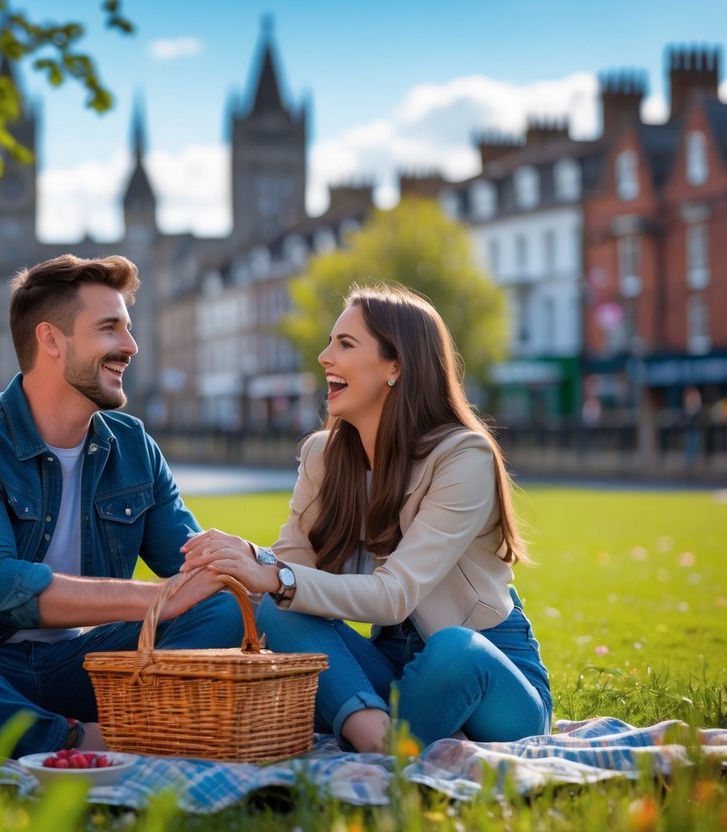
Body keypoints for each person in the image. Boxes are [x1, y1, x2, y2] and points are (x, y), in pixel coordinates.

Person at [0, 253, 244, 757]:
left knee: (222, 608)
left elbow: (196, 571)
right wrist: (158, 598)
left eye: (129, 328)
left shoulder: (133, 445)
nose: (130, 346)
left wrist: (255, 567)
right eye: (110, 328)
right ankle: (78, 738)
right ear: (50, 339)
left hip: (84, 667)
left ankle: (112, 725)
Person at [183, 283, 551, 753]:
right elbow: (292, 571)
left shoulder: (463, 456)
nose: (324, 357)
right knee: (281, 608)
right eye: (330, 341)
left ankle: (378, 735)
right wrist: (247, 558)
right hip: (392, 671)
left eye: (345, 344)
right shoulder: (324, 456)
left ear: (396, 366)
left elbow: (394, 596)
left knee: (452, 648)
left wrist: (274, 575)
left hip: (490, 673)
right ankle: (379, 735)